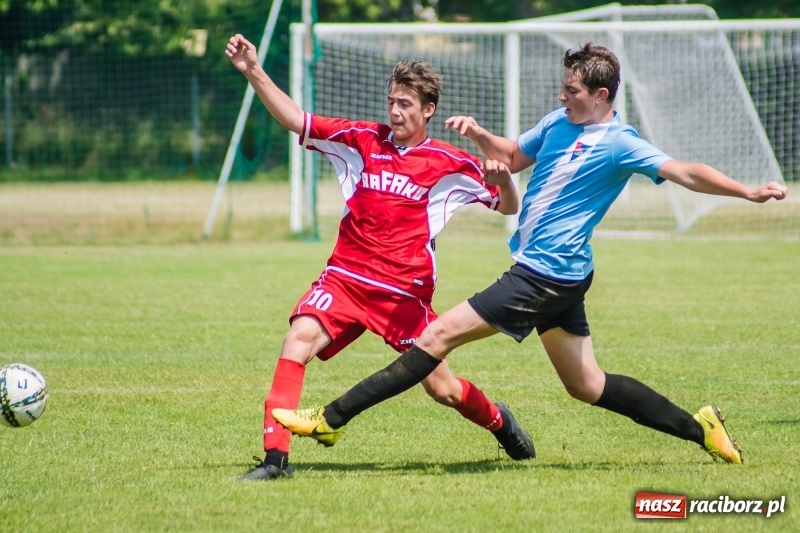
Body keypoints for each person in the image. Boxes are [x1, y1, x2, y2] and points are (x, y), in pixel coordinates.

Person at [273, 42, 789, 465]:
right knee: (587, 384)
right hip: (558, 274)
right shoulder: (558, 122)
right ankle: (699, 427)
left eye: (571, 90)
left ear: (600, 94)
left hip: (543, 277)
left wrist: (746, 192)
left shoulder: (620, 142)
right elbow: (513, 156)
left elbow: (685, 172)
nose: (561, 96)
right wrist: (480, 137)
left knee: (435, 336)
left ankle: (329, 420)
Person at [225, 34, 533, 481]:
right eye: (391, 101)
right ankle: (276, 460)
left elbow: (509, 207)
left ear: (428, 109)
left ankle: (498, 421)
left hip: (402, 296)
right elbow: (297, 120)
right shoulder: (361, 139)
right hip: (345, 280)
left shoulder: (448, 162)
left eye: (405, 103)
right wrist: (253, 70)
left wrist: (502, 180)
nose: (395, 111)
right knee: (296, 342)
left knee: (443, 389)